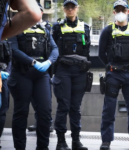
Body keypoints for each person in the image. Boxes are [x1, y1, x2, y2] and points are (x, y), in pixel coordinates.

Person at [7, 3, 59, 149]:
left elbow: (55, 49)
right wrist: (32, 62)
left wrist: (49, 62)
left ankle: (42, 147)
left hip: (41, 74)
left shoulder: (44, 29)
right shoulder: (14, 26)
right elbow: (14, 49)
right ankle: (20, 147)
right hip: (22, 73)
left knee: (45, 112)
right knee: (21, 112)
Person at [98, 0, 129, 150]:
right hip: (113, 74)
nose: (120, 12)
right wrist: (111, 65)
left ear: (128, 12)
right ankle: (106, 141)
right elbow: (101, 53)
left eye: (123, 9)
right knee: (109, 109)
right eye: (117, 10)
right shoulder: (107, 30)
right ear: (114, 12)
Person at [52, 0, 91, 150]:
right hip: (63, 70)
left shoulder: (85, 28)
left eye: (72, 7)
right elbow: (53, 50)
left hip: (79, 71)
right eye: (67, 7)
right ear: (64, 9)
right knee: (63, 106)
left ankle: (76, 141)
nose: (70, 9)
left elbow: (87, 51)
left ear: (77, 8)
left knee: (76, 107)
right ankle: (61, 142)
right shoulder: (57, 27)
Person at [27, 2, 54, 133]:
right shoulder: (26, 26)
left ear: (42, 13)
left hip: (46, 67)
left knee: (45, 102)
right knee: (34, 100)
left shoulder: (48, 27)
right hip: (30, 67)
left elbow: (53, 47)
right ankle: (39, 122)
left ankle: (47, 123)